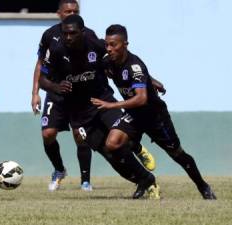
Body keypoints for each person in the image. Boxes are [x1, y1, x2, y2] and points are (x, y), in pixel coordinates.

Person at [32, 0, 155, 192]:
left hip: (101, 98)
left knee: (120, 139)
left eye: (73, 33)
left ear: (82, 31)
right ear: (59, 14)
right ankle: (143, 180)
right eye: (66, 33)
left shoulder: (93, 41)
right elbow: (42, 76)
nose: (68, 37)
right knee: (108, 151)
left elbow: (120, 58)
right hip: (76, 106)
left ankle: (136, 148)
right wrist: (52, 88)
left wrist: (148, 78)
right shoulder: (54, 45)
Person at [91, 24, 216, 200]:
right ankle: (145, 179)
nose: (109, 49)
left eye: (114, 45)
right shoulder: (108, 62)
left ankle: (203, 186)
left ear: (125, 44)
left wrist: (111, 105)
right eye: (107, 45)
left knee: (177, 154)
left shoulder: (134, 66)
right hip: (134, 115)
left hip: (155, 117)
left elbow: (141, 98)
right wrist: (152, 80)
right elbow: (137, 78)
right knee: (113, 144)